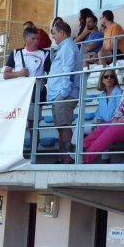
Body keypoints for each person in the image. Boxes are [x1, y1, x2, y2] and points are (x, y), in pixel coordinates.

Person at [83, 62, 124, 164]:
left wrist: (121, 119)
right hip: (123, 121)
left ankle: (85, 158)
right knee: (101, 128)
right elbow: (120, 107)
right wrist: (115, 118)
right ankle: (80, 149)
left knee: (109, 133)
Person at [4, 26, 50, 142]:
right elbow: (5, 75)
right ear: (26, 38)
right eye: (33, 38)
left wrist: (44, 81)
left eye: (37, 39)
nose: (36, 41)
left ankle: (33, 153)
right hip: (18, 93)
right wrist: (19, 73)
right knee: (16, 124)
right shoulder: (16, 53)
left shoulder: (44, 54)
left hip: (35, 92)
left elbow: (50, 74)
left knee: (33, 124)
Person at [47, 21, 82, 163]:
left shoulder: (67, 46)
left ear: (62, 32)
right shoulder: (65, 46)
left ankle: (67, 158)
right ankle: (63, 157)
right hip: (60, 95)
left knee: (64, 126)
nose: (53, 37)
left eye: (54, 33)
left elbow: (68, 70)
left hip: (64, 95)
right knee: (62, 127)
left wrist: (64, 92)